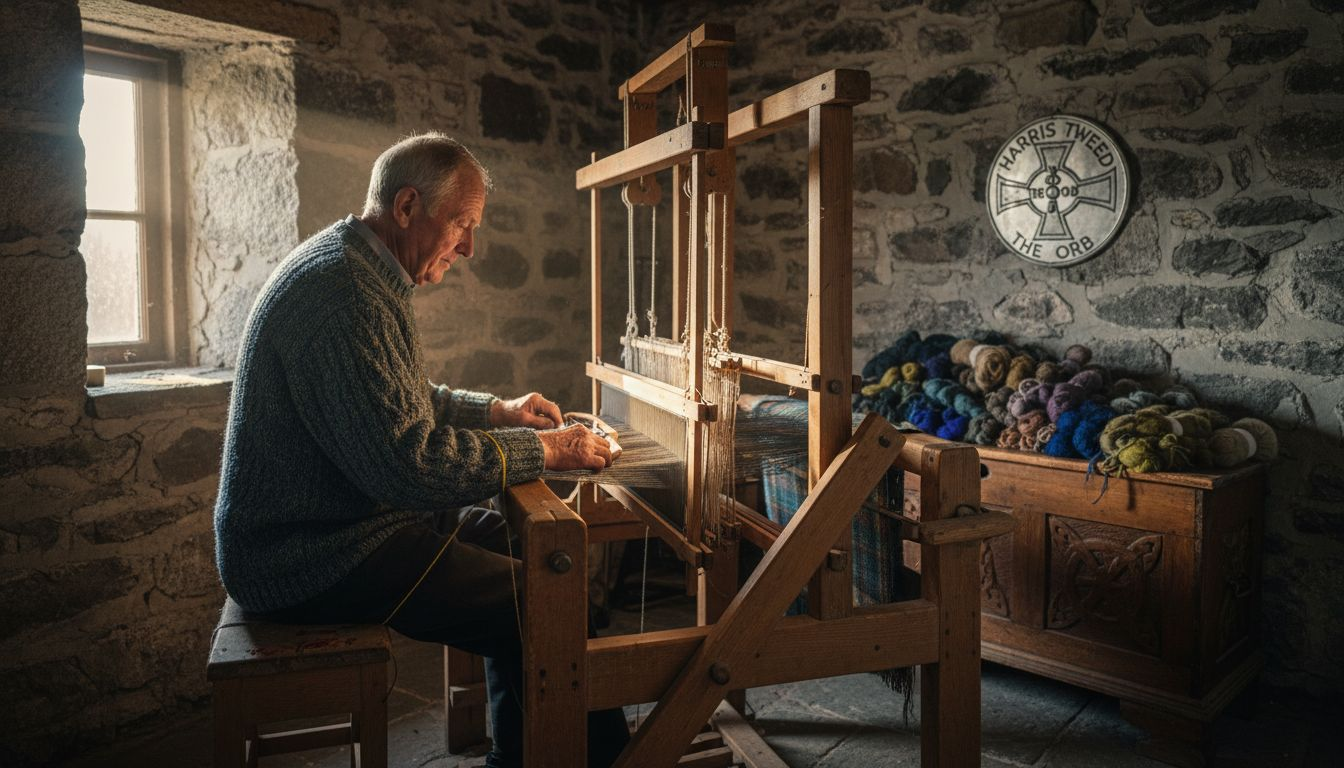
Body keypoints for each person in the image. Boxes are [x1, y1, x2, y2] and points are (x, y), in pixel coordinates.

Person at [213, 132, 627, 767]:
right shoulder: (343, 293)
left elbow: (396, 397)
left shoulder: (359, 269)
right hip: (307, 553)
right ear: (407, 207)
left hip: (349, 523)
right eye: (462, 224)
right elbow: (408, 466)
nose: (469, 247)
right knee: (546, 604)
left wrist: (496, 412)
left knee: (545, 555)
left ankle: (537, 753)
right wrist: (543, 449)